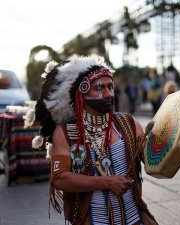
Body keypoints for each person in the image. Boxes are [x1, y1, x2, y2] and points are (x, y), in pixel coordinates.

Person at [28, 55, 158, 225]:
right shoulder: (66, 132)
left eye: (110, 87)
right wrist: (106, 182)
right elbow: (59, 178)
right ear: (82, 92)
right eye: (99, 88)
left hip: (135, 218)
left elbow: (151, 158)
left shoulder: (128, 122)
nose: (108, 93)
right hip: (93, 220)